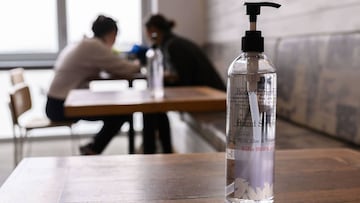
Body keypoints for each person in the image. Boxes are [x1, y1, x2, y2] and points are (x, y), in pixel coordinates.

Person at [46, 15, 140, 155]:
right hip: (62, 106)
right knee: (121, 112)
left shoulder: (85, 43)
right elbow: (125, 68)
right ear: (111, 34)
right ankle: (94, 149)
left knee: (119, 111)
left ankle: (93, 147)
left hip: (57, 102)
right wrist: (137, 64)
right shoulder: (94, 46)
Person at [141, 14, 226, 154]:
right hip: (206, 93)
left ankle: (151, 152)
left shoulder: (173, 46)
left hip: (212, 97)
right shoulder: (171, 44)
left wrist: (164, 80)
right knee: (154, 108)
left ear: (153, 30)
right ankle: (162, 152)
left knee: (151, 108)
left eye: (147, 32)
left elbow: (184, 80)